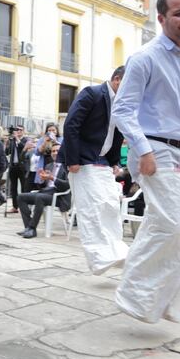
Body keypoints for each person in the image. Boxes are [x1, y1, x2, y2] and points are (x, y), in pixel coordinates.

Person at [111, 0, 180, 324]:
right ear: (161, 19)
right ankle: (135, 294)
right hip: (153, 150)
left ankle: (168, 302)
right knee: (173, 224)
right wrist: (142, 151)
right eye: (178, 13)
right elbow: (123, 109)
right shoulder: (144, 58)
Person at [61, 66, 128, 275]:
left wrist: (114, 161)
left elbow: (116, 133)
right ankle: (98, 258)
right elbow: (71, 125)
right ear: (117, 80)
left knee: (109, 204)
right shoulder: (92, 94)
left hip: (103, 160)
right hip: (82, 159)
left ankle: (115, 251)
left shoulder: (123, 103)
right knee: (92, 208)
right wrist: (72, 159)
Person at [16, 143, 69, 239]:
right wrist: (41, 179)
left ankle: (32, 228)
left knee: (40, 198)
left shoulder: (67, 167)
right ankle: (28, 227)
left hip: (59, 196)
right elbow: (42, 186)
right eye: (53, 151)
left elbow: (67, 186)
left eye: (58, 151)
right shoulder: (49, 165)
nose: (55, 153)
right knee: (21, 197)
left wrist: (52, 178)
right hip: (47, 193)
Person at [6, 126, 28, 209]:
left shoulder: (26, 140)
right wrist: (7, 142)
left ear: (23, 131)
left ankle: (23, 206)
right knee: (13, 187)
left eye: (20, 130)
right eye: (17, 130)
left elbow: (23, 148)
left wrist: (17, 139)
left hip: (22, 167)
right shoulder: (12, 140)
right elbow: (7, 152)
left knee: (23, 187)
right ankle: (15, 206)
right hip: (13, 166)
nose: (18, 131)